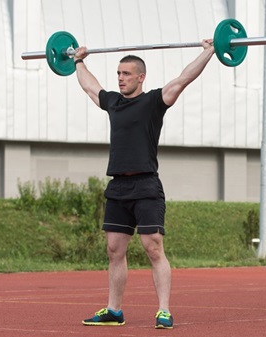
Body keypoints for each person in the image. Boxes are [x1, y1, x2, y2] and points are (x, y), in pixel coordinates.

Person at [74, 39, 216, 329]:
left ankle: (163, 310)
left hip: (146, 186)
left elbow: (184, 79)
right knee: (114, 249)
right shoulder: (113, 102)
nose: (120, 78)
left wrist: (210, 51)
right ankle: (114, 311)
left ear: (141, 77)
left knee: (153, 248)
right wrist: (78, 60)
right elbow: (90, 87)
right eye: (118, 74)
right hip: (118, 187)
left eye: (126, 74)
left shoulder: (154, 102)